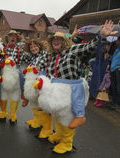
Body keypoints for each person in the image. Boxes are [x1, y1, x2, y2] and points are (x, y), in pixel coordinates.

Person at [44, 20, 115, 154]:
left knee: (68, 117)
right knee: (58, 115)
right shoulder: (52, 56)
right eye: (54, 39)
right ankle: (59, 135)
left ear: (64, 42)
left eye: (59, 39)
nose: (56, 41)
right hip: (57, 89)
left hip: (70, 89)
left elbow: (89, 47)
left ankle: (67, 143)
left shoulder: (72, 50)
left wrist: (102, 36)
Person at [109, 37, 120, 110]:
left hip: (118, 69)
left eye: (118, 40)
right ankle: (114, 102)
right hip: (113, 69)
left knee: (118, 87)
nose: (116, 41)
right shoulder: (117, 49)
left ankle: (117, 103)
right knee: (114, 86)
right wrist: (108, 56)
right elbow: (112, 58)